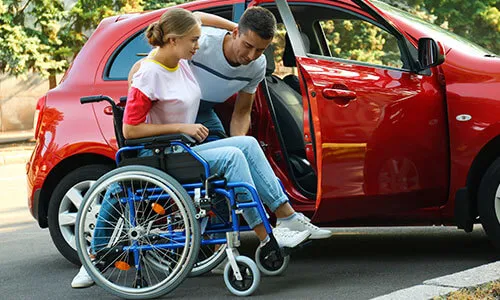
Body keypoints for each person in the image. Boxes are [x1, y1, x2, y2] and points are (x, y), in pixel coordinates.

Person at [71, 7, 329, 289]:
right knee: (232, 156)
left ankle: (287, 219)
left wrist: (235, 25)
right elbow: (130, 130)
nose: (200, 43)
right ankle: (266, 236)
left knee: (248, 144)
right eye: (194, 39)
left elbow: (191, 18)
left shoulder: (181, 62)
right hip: (163, 150)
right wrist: (181, 127)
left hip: (184, 144)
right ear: (173, 40)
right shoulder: (149, 74)